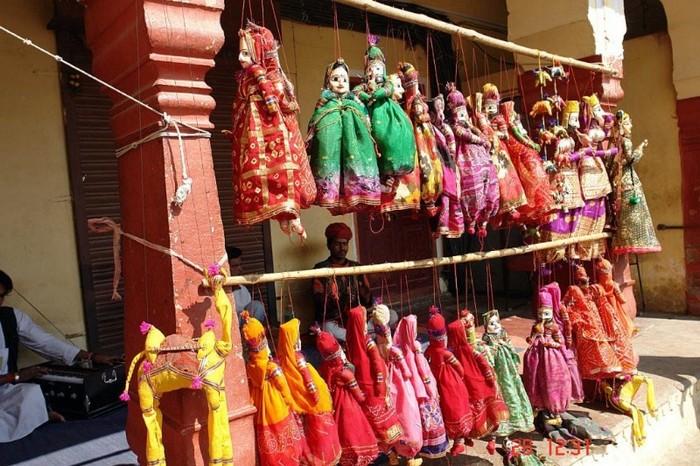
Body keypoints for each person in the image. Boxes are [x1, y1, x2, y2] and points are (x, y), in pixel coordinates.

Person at [0, 269, 121, 442]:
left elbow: (45, 343)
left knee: (31, 393)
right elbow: (17, 376)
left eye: (1, 296)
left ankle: (38, 415)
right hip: (9, 380)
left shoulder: (10, 318)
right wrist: (17, 376)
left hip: (4, 391)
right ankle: (36, 417)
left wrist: (91, 356)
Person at [312, 222, 397, 343]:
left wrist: (365, 294)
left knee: (392, 314)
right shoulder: (320, 269)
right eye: (338, 244)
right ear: (329, 245)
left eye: (345, 244)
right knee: (327, 328)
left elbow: (368, 301)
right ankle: (367, 336)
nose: (342, 248)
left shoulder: (356, 267)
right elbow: (320, 308)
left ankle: (360, 336)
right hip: (338, 322)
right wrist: (338, 297)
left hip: (361, 319)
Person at [226, 246, 266, 326]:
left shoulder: (243, 290)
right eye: (235, 266)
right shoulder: (221, 293)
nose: (241, 269)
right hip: (231, 330)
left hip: (246, 329)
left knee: (258, 306)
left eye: (240, 265)